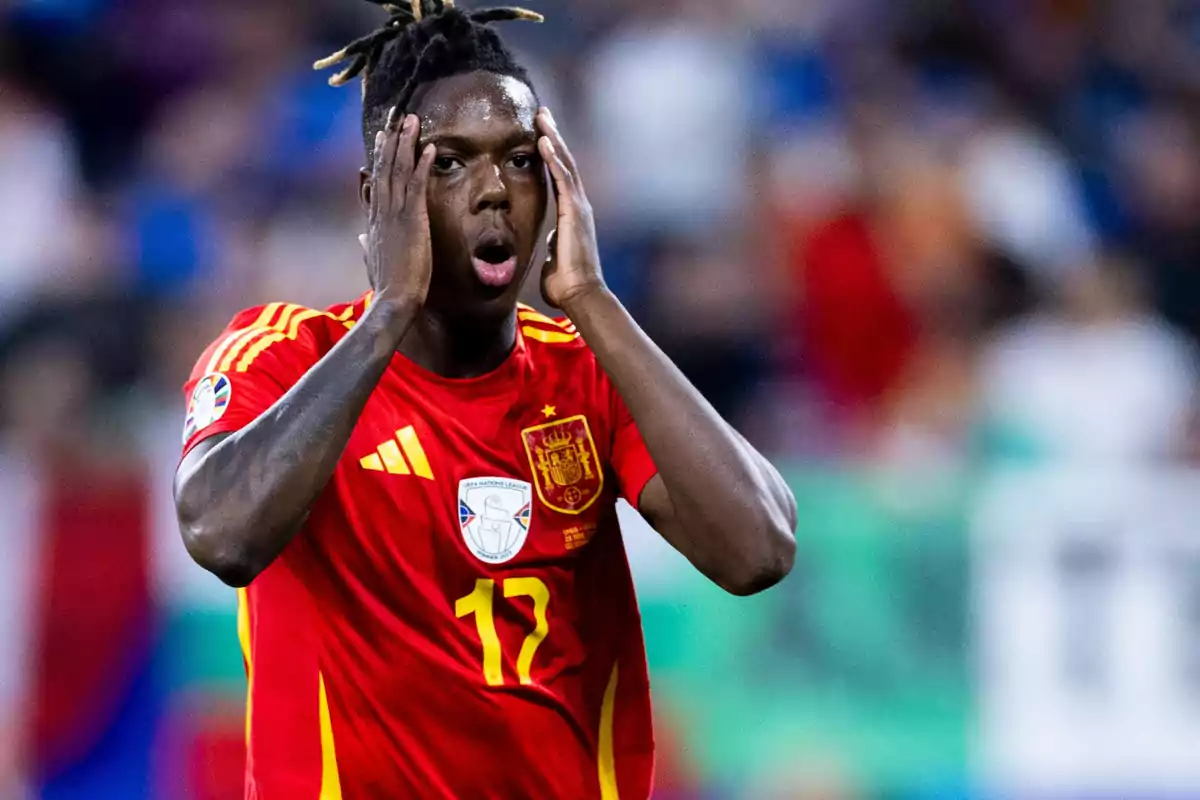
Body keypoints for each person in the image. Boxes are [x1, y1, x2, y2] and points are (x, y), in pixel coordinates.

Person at [173, 1, 797, 796]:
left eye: (521, 159)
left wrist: (593, 300)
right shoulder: (284, 356)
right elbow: (220, 532)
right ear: (377, 194)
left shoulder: (589, 370)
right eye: (450, 162)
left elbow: (760, 550)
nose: (494, 190)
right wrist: (388, 313)